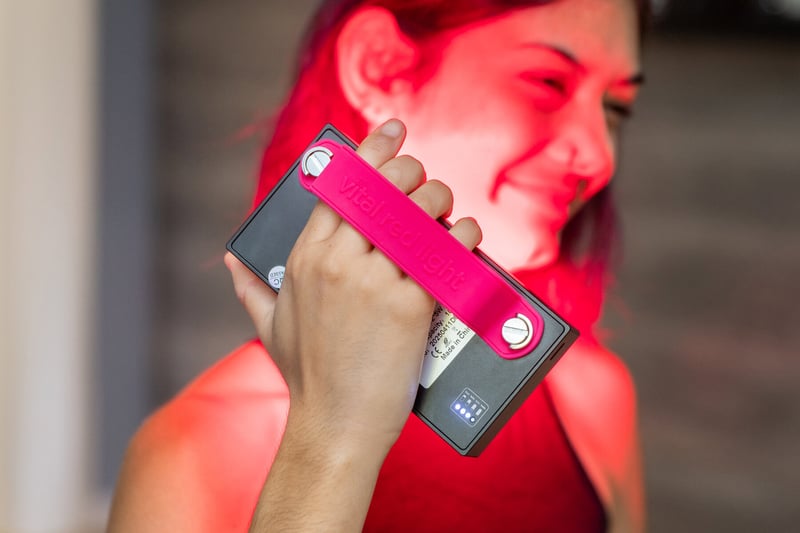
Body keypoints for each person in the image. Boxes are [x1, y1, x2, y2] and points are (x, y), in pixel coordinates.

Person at [108, 0, 649, 531]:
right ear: (380, 65)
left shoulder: (597, 398)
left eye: (615, 108)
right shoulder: (195, 449)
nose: (599, 157)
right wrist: (330, 439)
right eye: (548, 83)